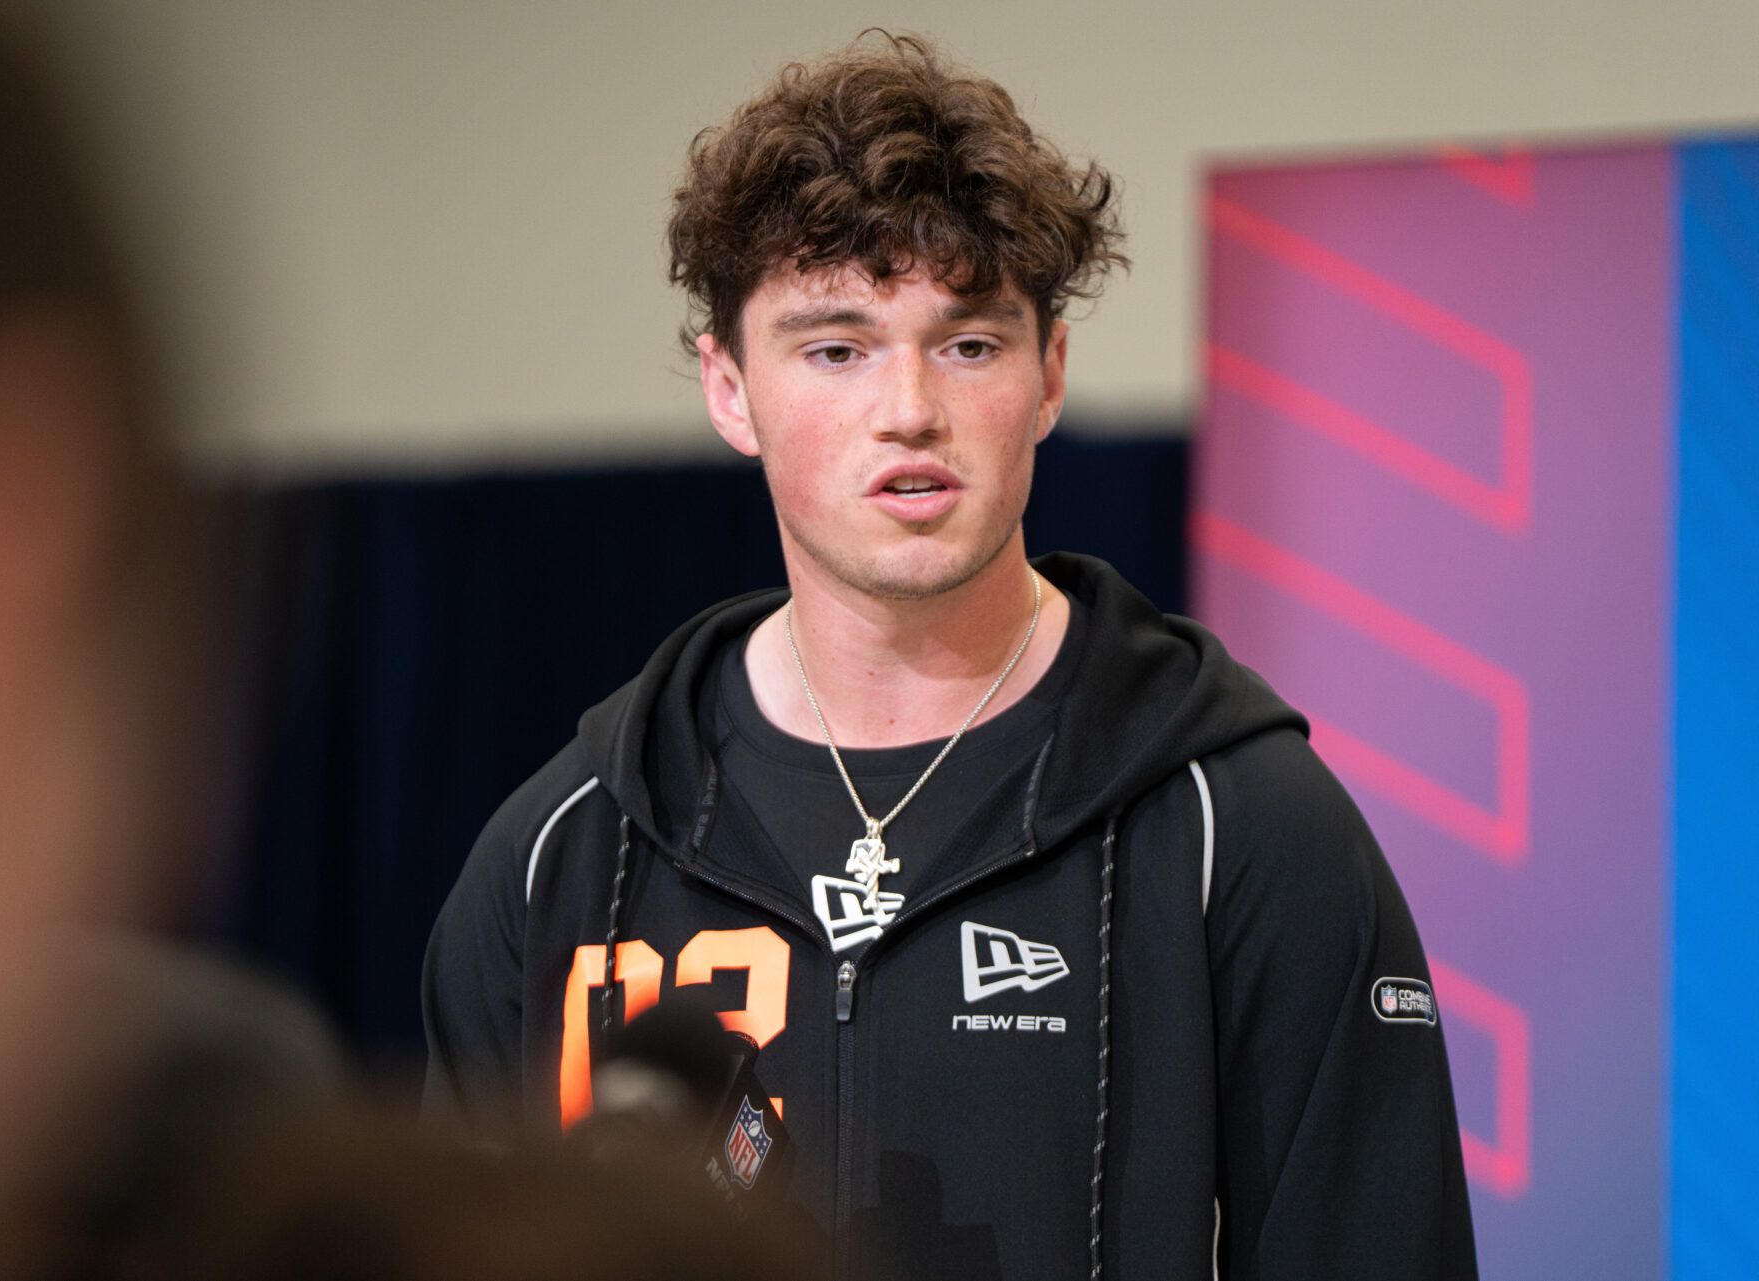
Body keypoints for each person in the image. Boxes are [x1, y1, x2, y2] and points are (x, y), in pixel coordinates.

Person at [423, 32, 1477, 1281]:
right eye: (836, 347)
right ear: (728, 390)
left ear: (1048, 377)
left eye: (969, 343)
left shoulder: (1238, 829)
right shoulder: (566, 853)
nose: (909, 406)